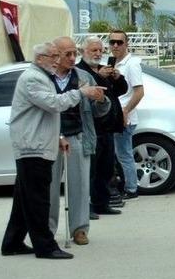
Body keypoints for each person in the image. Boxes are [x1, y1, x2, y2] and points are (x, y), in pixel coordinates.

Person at [1, 42, 105, 259]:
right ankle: (45, 246)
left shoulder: (41, 76)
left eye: (61, 55)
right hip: (33, 147)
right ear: (40, 59)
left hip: (39, 143)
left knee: (24, 199)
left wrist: (57, 137)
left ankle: (12, 242)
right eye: (53, 56)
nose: (57, 60)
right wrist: (81, 92)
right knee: (39, 199)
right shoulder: (34, 78)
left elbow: (46, 114)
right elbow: (54, 104)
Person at [48, 36, 112, 246]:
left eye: (74, 53)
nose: (72, 58)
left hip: (77, 135)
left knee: (80, 186)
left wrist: (101, 100)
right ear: (55, 55)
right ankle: (47, 230)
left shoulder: (83, 76)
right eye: (68, 54)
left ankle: (80, 229)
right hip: (50, 138)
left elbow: (99, 110)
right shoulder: (45, 77)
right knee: (49, 187)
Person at [77, 36, 128, 213]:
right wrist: (98, 77)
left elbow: (121, 91)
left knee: (105, 169)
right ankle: (86, 208)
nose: (98, 54)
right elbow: (86, 95)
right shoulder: (79, 72)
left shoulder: (103, 70)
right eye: (94, 50)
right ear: (83, 52)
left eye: (100, 50)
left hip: (107, 128)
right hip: (91, 129)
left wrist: (117, 77)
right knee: (89, 170)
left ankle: (102, 203)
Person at [109, 30, 144, 201]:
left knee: (124, 154)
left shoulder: (131, 64)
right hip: (114, 115)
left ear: (126, 44)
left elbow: (139, 92)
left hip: (124, 117)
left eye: (119, 42)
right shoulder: (113, 63)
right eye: (112, 42)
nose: (115, 45)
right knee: (118, 154)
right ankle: (126, 186)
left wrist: (125, 111)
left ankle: (131, 188)